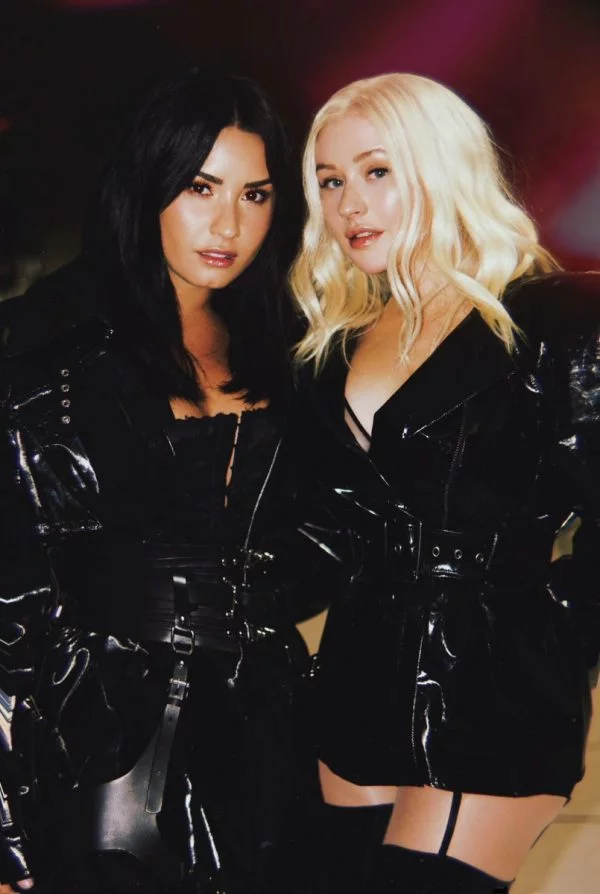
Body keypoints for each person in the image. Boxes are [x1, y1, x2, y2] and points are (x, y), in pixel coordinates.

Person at [0, 68, 342, 894]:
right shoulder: (54, 344)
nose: (229, 224)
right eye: (200, 187)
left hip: (270, 739)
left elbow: (329, 536)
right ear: (148, 182)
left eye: (256, 195)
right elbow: (10, 590)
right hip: (96, 741)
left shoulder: (294, 346)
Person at [291, 72, 600, 893]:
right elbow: (321, 533)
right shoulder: (331, 343)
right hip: (353, 686)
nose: (350, 203)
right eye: (330, 181)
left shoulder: (559, 321)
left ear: (442, 165)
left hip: (496, 696)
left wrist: (553, 643)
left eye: (377, 170)